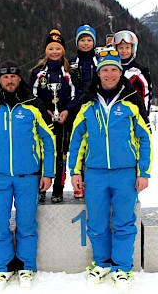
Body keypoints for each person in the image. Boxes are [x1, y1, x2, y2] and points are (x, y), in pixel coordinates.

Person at [69, 50, 152, 290]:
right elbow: (77, 139)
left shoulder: (132, 99)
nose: (109, 74)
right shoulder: (87, 100)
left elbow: (144, 138)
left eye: (114, 69)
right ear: (98, 72)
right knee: (96, 222)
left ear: (120, 72)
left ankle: (122, 268)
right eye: (105, 69)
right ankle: (102, 263)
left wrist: (143, 172)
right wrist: (75, 171)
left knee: (124, 221)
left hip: (125, 172)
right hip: (94, 172)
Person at [0, 61, 56, 289]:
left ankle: (27, 266)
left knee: (27, 224)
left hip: (28, 176)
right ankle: (3, 267)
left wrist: (48, 173)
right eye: (5, 77)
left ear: (20, 79)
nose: (9, 81)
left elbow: (49, 140)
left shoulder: (33, 105)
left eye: (13, 77)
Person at [29, 28, 77, 203]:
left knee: (61, 154)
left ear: (63, 50)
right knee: (42, 153)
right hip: (43, 121)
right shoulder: (38, 72)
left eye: (58, 48)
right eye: (51, 48)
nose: (54, 52)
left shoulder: (69, 72)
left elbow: (75, 96)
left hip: (63, 120)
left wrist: (67, 111)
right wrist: (44, 111)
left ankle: (58, 187)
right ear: (46, 50)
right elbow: (32, 95)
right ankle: (41, 188)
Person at [69, 24, 98, 199]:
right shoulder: (72, 63)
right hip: (76, 111)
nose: (86, 44)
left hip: (94, 110)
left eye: (89, 40)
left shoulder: (99, 61)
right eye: (82, 40)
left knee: (93, 145)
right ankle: (77, 181)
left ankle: (90, 180)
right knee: (78, 145)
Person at [112, 30, 153, 117]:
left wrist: (144, 117)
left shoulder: (140, 71)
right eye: (121, 48)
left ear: (133, 49)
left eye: (127, 48)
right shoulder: (111, 69)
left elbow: (146, 96)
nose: (124, 51)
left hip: (134, 115)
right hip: (113, 116)